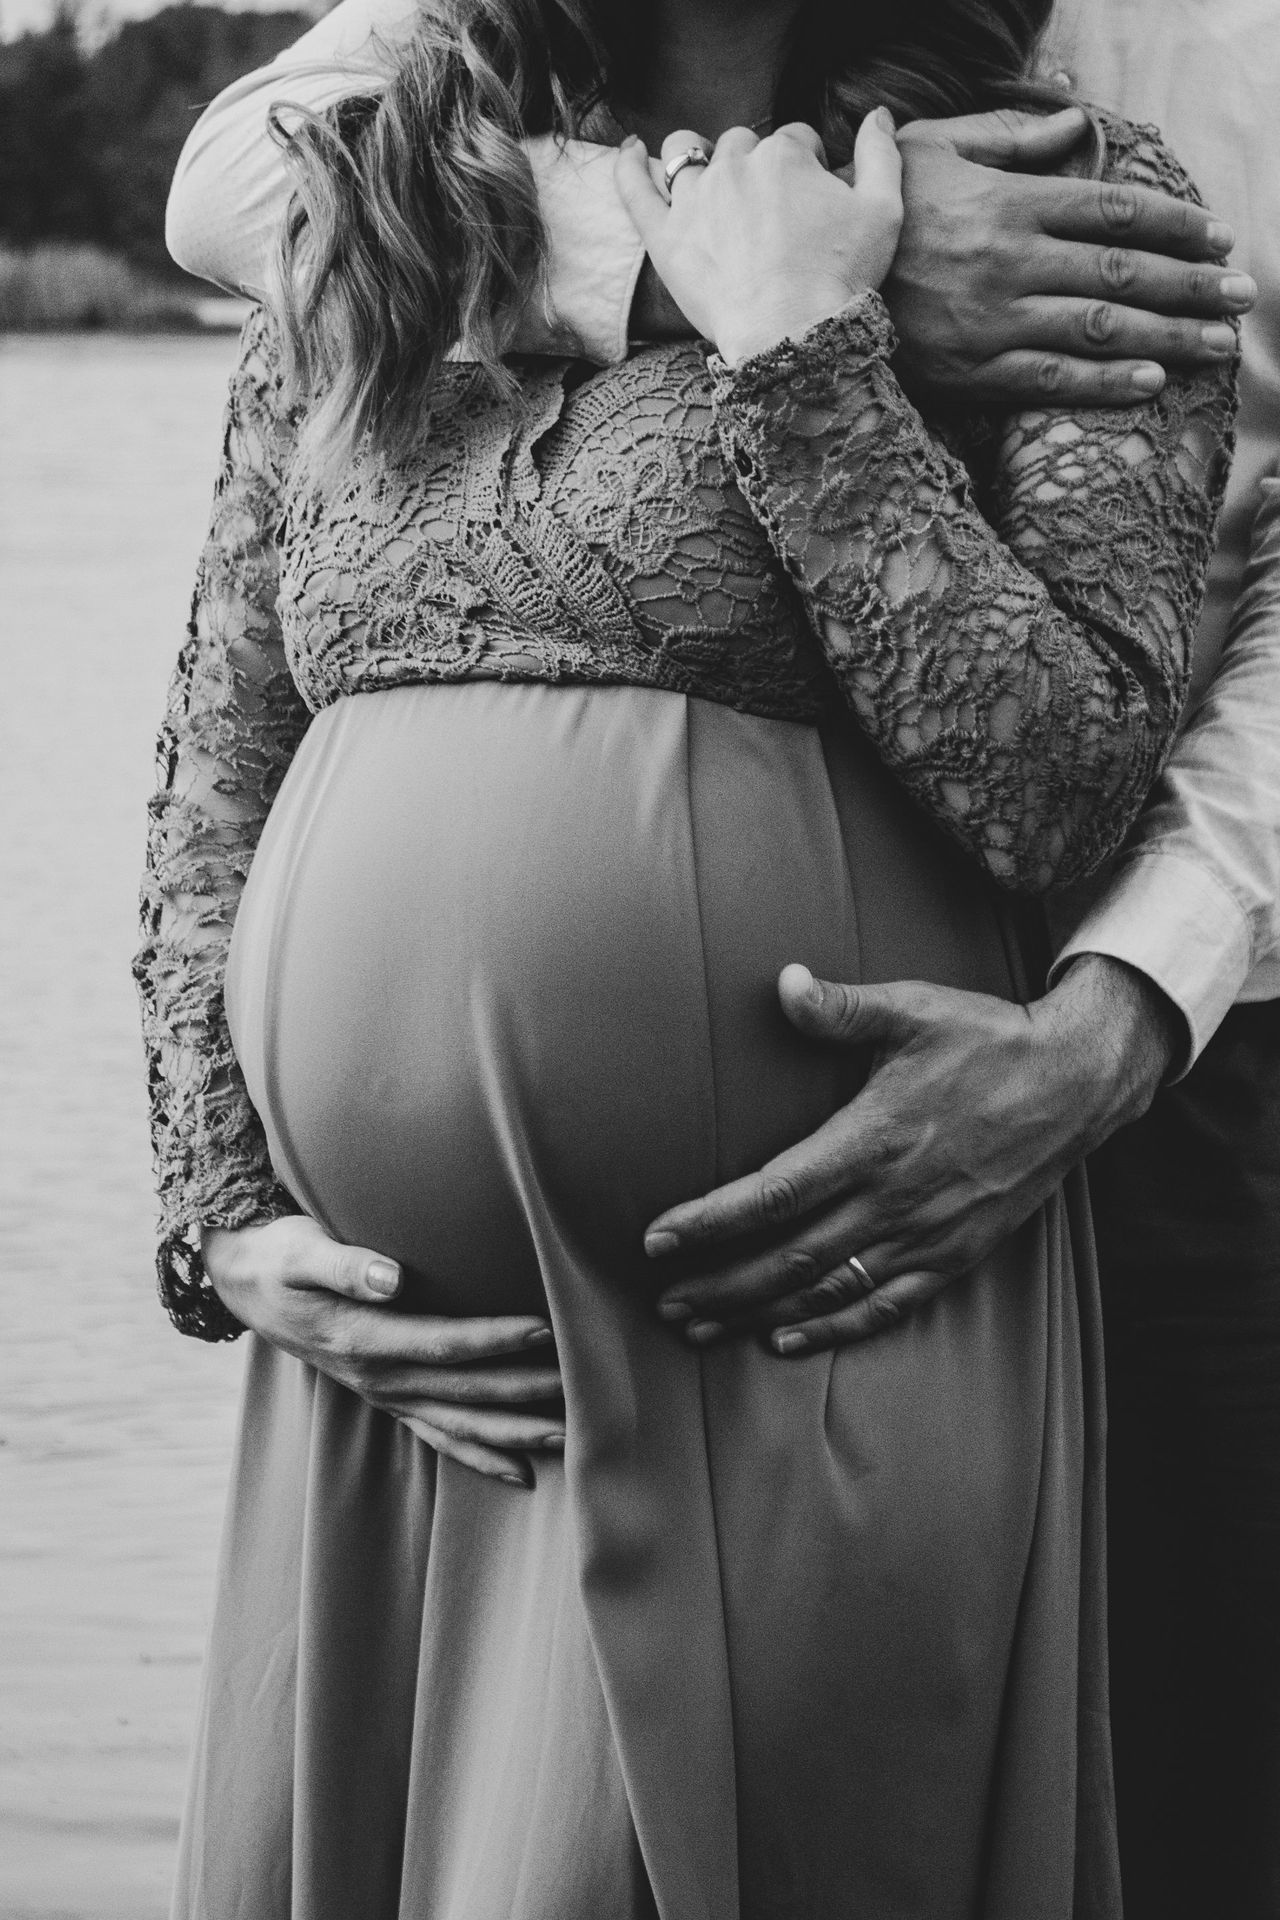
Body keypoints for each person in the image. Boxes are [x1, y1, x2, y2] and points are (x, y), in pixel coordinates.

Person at [139, 4, 1235, 1916]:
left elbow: (1061, 788)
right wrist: (224, 1212)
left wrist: (808, 348)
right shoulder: (391, 193)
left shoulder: (1067, 199)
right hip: (401, 1390)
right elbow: (222, 745)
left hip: (801, 1323)